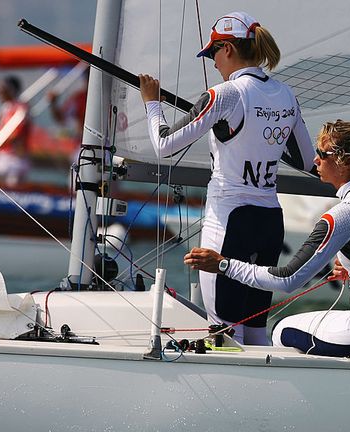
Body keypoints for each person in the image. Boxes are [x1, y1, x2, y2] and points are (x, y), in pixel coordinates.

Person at [184, 120, 350, 358]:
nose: (315, 159)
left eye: (322, 154)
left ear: (345, 162)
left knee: (282, 330)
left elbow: (288, 280)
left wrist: (222, 264)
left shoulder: (345, 214)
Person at [139, 11, 315, 345]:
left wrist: (152, 103)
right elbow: (307, 161)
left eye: (214, 54)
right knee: (254, 330)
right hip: (269, 223)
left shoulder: (225, 94)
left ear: (229, 49)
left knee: (224, 333)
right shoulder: (285, 94)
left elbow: (163, 144)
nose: (214, 63)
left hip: (230, 221)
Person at [0, 75, 31, 186]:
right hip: (2, 158)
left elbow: (14, 134)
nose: (0, 91)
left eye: (4, 88)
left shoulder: (20, 108)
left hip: (14, 160)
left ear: (11, 90)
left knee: (11, 191)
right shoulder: (6, 108)